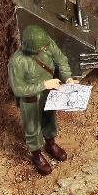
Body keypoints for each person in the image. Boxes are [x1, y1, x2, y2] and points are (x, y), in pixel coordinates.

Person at [8, 24, 78, 175]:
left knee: (49, 119)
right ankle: (36, 155)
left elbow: (61, 60)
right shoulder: (17, 62)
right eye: (40, 49)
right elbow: (18, 89)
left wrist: (68, 79)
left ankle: (50, 144)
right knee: (32, 128)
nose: (44, 50)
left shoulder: (46, 43)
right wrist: (44, 84)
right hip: (31, 100)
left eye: (44, 47)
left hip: (49, 92)